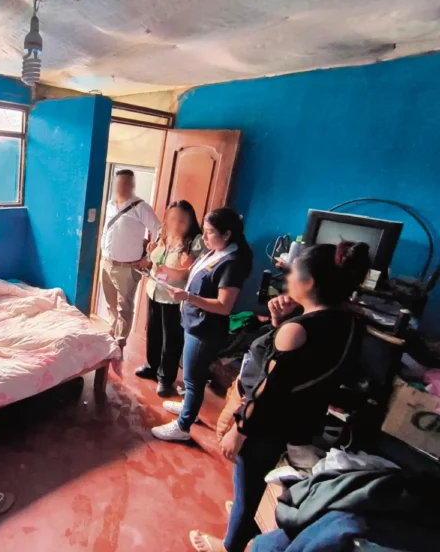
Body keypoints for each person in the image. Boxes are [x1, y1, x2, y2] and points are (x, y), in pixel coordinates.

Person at [188, 241, 370, 552]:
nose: (287, 279)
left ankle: (231, 545)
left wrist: (239, 430)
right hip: (301, 419)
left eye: (293, 273)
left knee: (247, 485)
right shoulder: (349, 321)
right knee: (256, 481)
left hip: (265, 424)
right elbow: (305, 367)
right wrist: (280, 324)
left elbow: (269, 392)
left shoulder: (298, 330)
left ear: (309, 282)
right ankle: (246, 515)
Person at [151, 207, 252, 442]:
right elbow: (193, 275)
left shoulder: (232, 263)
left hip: (205, 329)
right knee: (191, 376)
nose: (204, 237)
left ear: (227, 234)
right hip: (194, 321)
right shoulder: (215, 252)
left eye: (209, 232)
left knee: (193, 379)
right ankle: (189, 407)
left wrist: (188, 297)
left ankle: (183, 427)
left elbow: (224, 306)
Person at [136, 200, 203, 397]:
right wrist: (149, 256)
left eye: (182, 220)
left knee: (171, 339)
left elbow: (196, 273)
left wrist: (177, 271)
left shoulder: (196, 241)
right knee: (154, 331)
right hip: (154, 290)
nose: (176, 223)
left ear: (191, 221)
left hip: (175, 297)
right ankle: (152, 366)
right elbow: (154, 260)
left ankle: (165, 378)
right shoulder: (163, 234)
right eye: (172, 219)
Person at [100, 169, 160, 350]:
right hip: (107, 263)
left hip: (127, 267)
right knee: (111, 303)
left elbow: (159, 231)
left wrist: (149, 258)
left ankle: (120, 340)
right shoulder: (110, 204)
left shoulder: (141, 207)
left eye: (126, 183)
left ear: (132, 185)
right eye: (119, 183)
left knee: (124, 307)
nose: (121, 187)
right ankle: (112, 330)